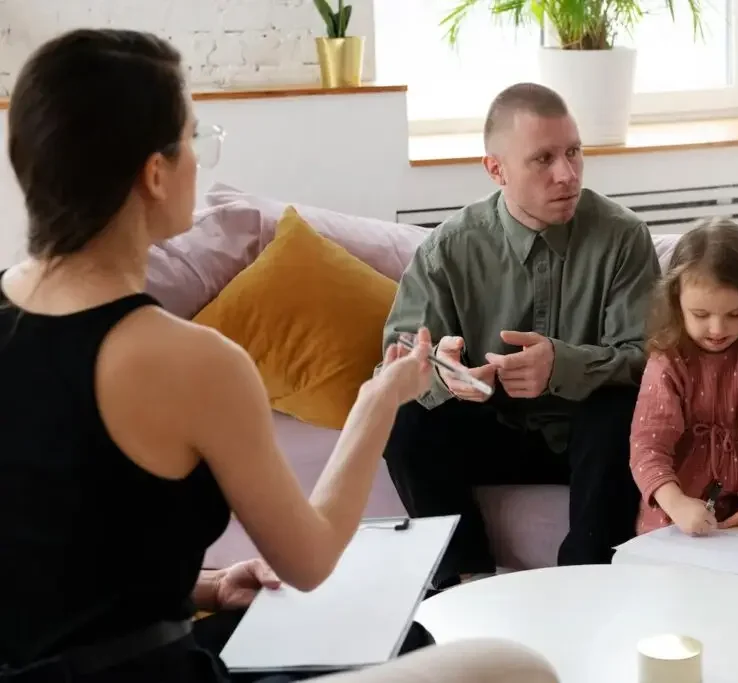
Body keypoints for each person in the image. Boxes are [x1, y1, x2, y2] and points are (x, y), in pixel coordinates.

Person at [0, 28, 449, 683]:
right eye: (192, 138)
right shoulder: (194, 361)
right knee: (507, 664)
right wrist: (379, 398)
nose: (198, 161)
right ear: (154, 174)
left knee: (403, 639)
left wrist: (204, 586)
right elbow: (310, 559)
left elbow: (54, 553)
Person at [380, 82, 661, 588]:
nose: (567, 174)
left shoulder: (622, 237)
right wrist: (443, 372)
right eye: (543, 159)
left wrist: (562, 365)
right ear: (496, 169)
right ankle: (463, 580)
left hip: (588, 441)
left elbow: (648, 360)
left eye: (574, 152)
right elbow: (394, 366)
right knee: (406, 419)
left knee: (621, 405)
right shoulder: (449, 249)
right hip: (491, 434)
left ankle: (588, 582)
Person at [629, 218, 738, 539]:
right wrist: (676, 503)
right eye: (701, 315)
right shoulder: (668, 359)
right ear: (676, 302)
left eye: (734, 314)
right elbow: (648, 446)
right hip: (675, 509)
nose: (717, 330)